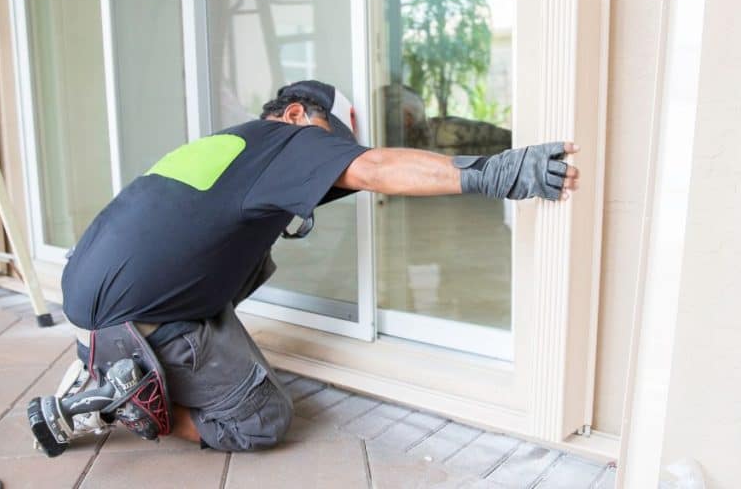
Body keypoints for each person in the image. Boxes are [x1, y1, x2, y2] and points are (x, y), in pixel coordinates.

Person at [59, 80, 579, 452]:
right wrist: (500, 171)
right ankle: (127, 401)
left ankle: (110, 369)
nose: (332, 158)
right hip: (135, 325)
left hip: (91, 317)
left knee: (250, 260)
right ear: (294, 116)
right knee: (261, 419)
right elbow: (373, 169)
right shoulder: (289, 141)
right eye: (330, 139)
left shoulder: (232, 148)